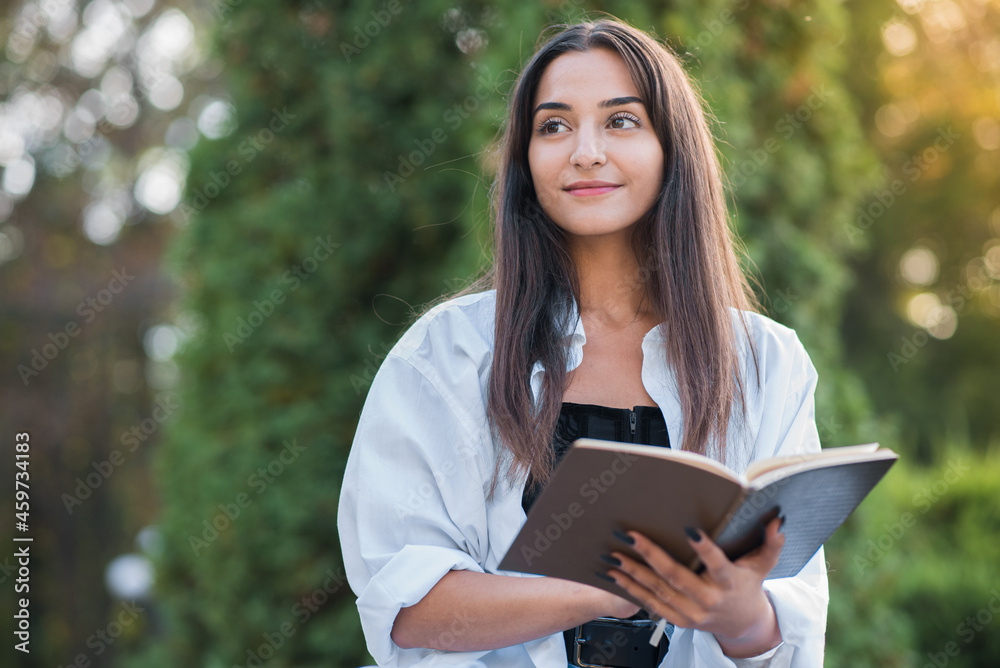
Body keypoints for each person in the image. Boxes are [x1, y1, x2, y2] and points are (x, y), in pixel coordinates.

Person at [338, 17, 828, 668]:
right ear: (526, 161)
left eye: (621, 121)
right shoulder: (446, 356)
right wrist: (597, 590)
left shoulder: (766, 362)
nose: (586, 151)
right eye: (554, 126)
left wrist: (739, 613)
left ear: (670, 150)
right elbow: (406, 609)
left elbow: (786, 634)